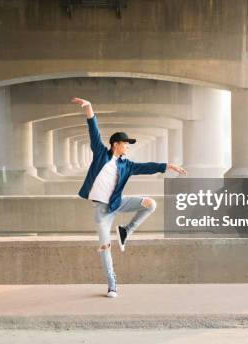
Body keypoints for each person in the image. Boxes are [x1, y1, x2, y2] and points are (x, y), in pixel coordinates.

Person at [71, 97, 187, 298]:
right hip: (102, 211)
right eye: (126, 144)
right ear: (115, 144)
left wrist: (168, 165)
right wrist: (88, 107)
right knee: (105, 248)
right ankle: (112, 285)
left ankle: (126, 231)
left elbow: (147, 167)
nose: (128, 147)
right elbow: (94, 130)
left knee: (150, 204)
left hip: (118, 203)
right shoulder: (101, 154)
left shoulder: (128, 165)